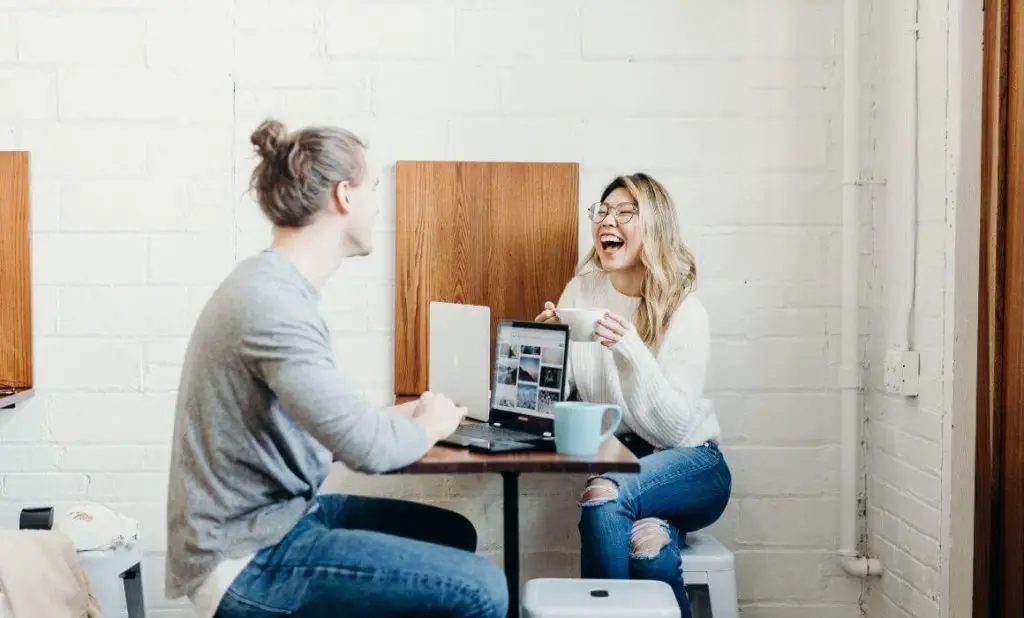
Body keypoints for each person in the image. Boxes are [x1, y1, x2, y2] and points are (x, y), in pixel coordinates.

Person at [165, 119, 509, 618]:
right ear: (344, 196)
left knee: (453, 533)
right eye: (372, 189)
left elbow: (332, 430)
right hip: (246, 556)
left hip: (278, 522)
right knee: (483, 590)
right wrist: (430, 424)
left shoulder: (275, 288)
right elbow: (367, 449)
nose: (377, 204)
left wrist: (405, 416)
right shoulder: (273, 306)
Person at [535, 173, 731, 616]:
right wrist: (551, 350)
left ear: (655, 226)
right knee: (650, 546)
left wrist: (629, 348)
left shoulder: (683, 308)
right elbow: (570, 396)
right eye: (602, 211)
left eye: (626, 212)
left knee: (602, 494)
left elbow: (674, 426)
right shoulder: (581, 291)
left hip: (693, 463)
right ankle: (660, 537)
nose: (609, 220)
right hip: (630, 462)